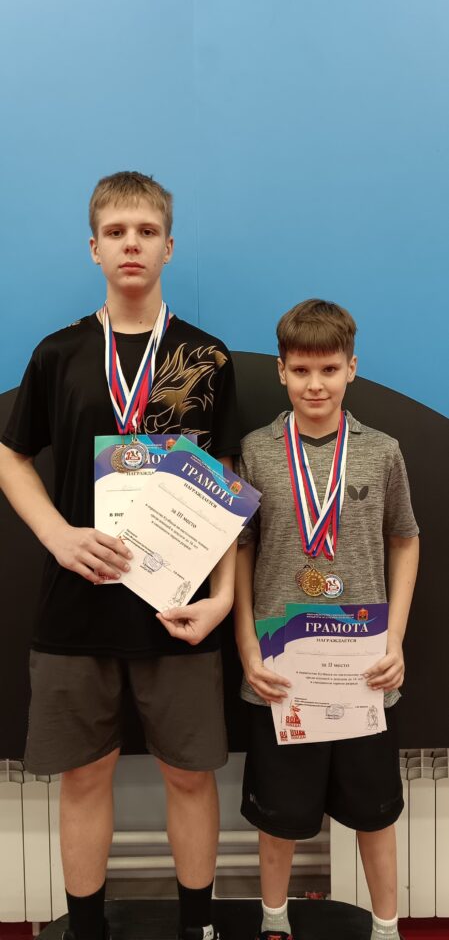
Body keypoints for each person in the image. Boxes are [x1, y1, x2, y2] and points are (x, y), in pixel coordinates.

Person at [0, 171, 241, 940]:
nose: (130, 244)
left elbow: (228, 481)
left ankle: (198, 929)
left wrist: (223, 597)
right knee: (83, 776)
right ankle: (87, 930)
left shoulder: (204, 357)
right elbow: (10, 455)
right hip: (78, 603)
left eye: (145, 231)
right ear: (94, 248)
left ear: (168, 246)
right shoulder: (60, 353)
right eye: (115, 232)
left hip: (178, 607)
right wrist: (56, 534)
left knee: (190, 776)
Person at [234, 299, 419, 940]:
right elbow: (241, 551)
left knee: (375, 813)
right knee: (278, 816)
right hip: (282, 671)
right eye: (302, 370)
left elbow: (405, 539)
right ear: (281, 371)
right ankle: (275, 922)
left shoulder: (382, 451)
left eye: (330, 369)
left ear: (351, 369)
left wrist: (395, 639)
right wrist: (247, 650)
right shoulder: (257, 451)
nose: (316, 384)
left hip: (365, 670)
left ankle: (388, 928)